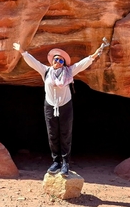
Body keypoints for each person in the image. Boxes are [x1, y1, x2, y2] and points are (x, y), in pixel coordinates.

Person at [12, 42, 104, 177]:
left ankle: (65, 163)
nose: (58, 62)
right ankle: (56, 162)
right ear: (52, 61)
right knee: (52, 135)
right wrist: (22, 51)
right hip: (50, 106)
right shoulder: (46, 71)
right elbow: (33, 62)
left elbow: (83, 64)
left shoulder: (69, 72)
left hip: (65, 106)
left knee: (65, 135)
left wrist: (94, 55)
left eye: (61, 60)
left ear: (64, 63)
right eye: (56, 59)